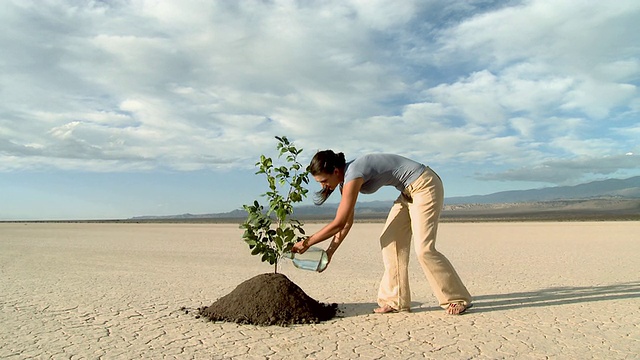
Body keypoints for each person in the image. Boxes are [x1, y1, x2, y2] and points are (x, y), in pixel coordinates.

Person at [292, 150, 472, 315]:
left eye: (324, 181)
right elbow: (346, 223)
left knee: (424, 249)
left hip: (425, 185)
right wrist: (329, 253)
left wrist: (307, 243)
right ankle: (396, 301)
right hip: (407, 194)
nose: (324, 186)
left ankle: (457, 298)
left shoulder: (354, 173)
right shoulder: (345, 182)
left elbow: (338, 223)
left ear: (336, 171)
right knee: (390, 240)